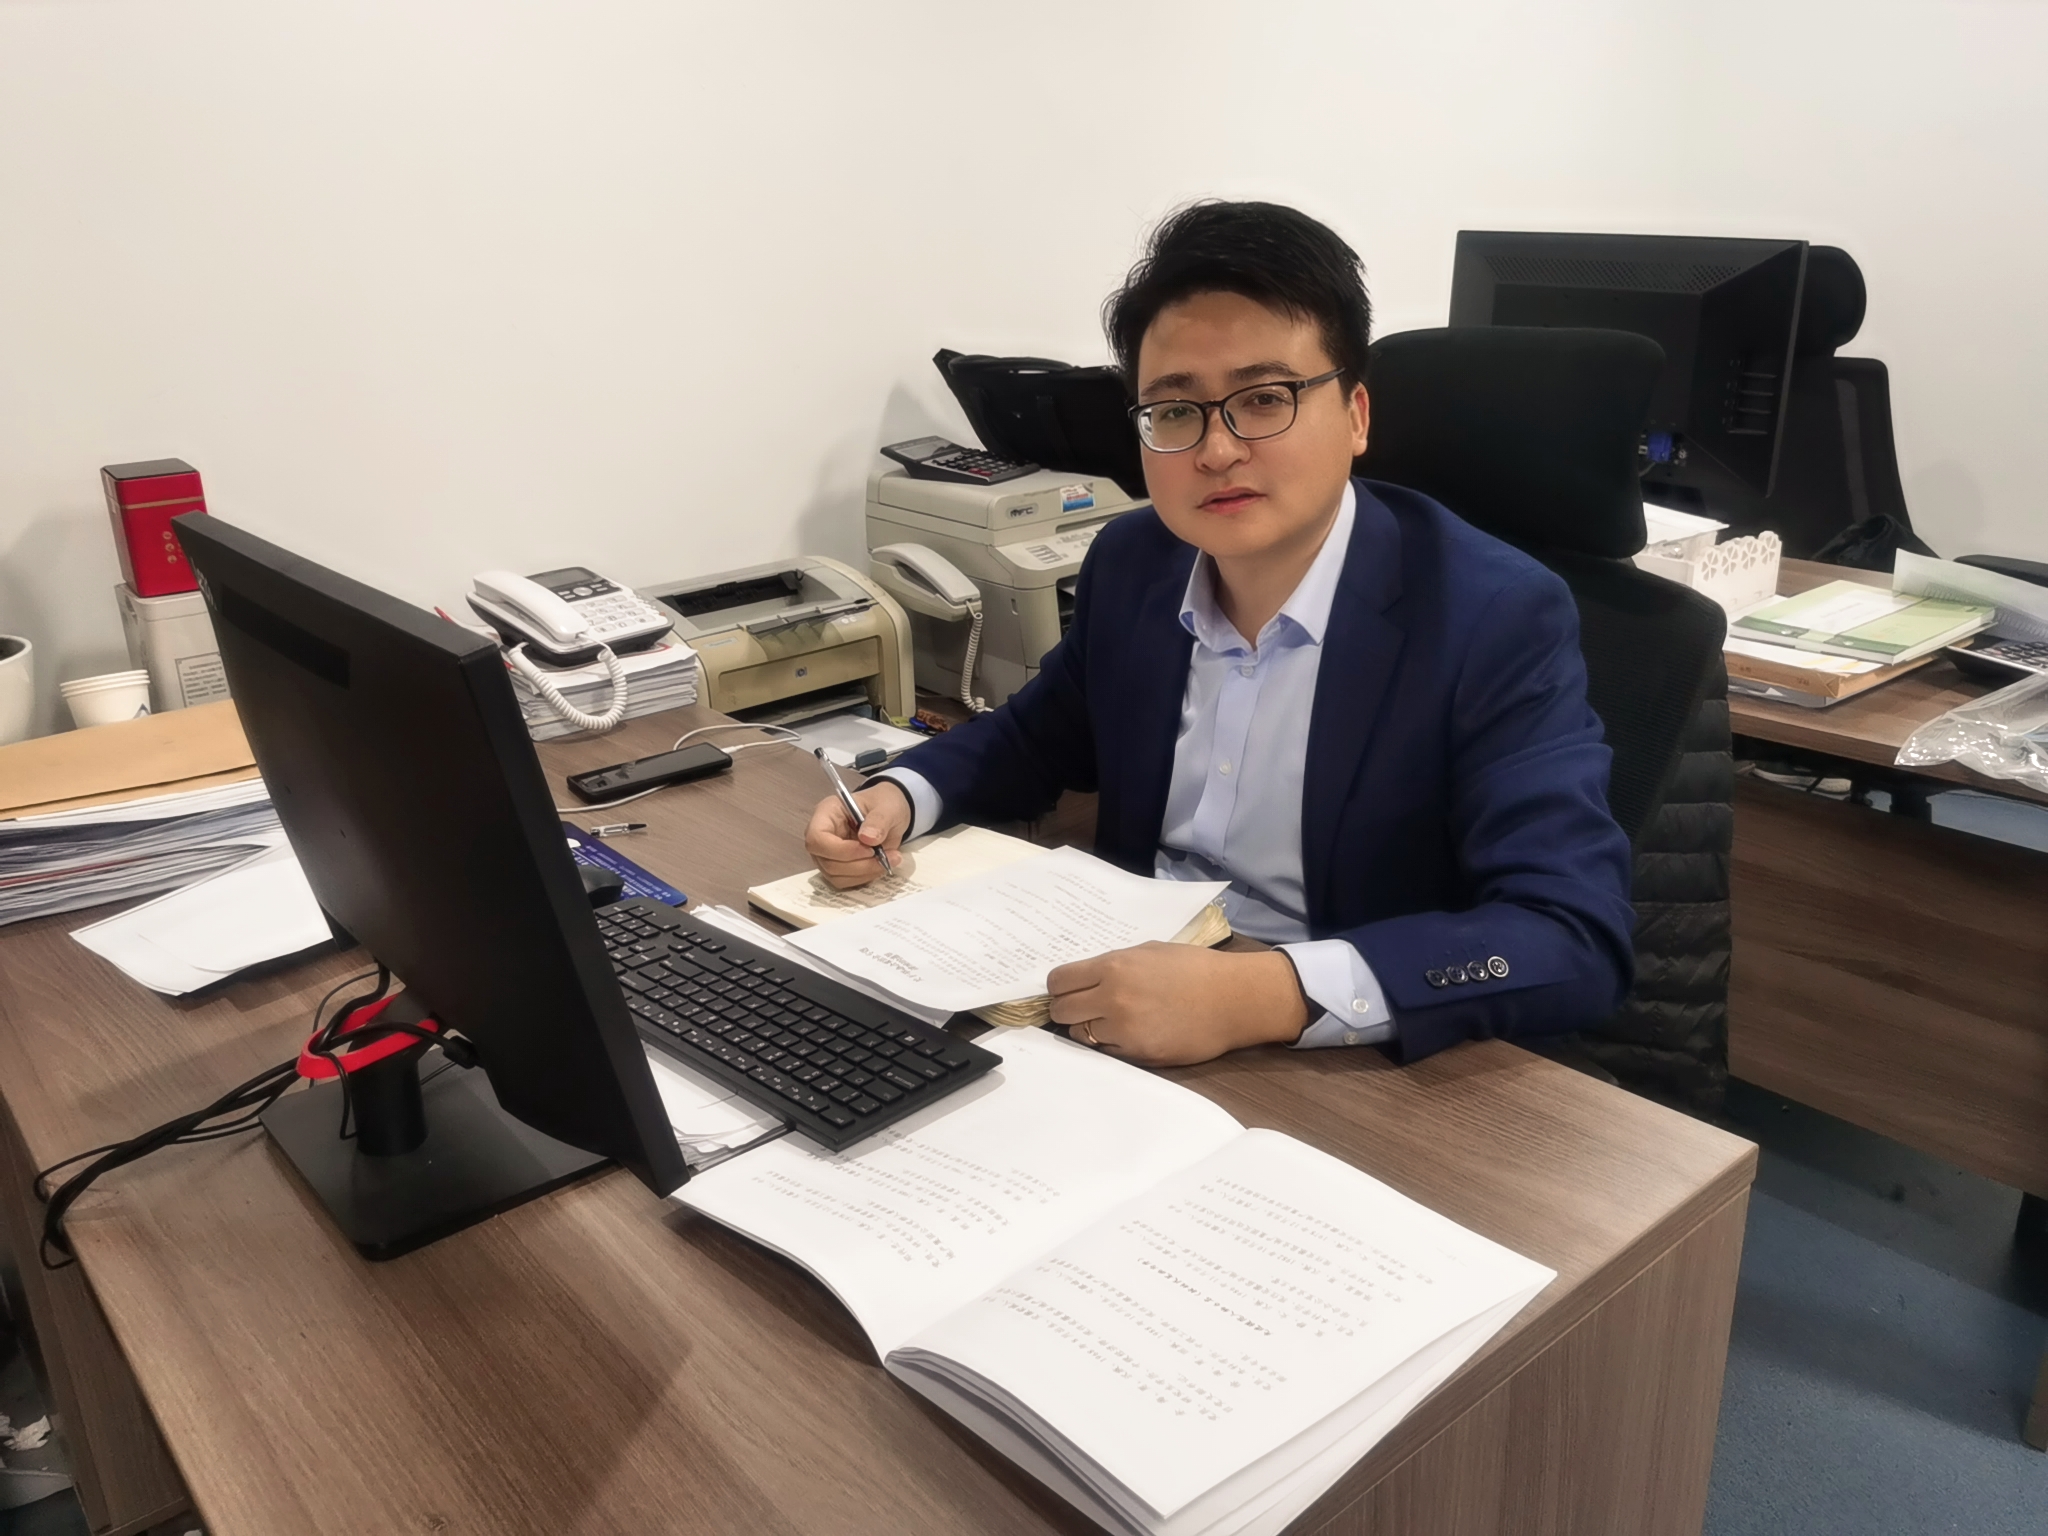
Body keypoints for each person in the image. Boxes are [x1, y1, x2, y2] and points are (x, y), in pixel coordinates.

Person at [806, 201, 1634, 1068]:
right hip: (1118, 1017)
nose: (1216, 450)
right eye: (1174, 411)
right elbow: (1034, 737)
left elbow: (1572, 937)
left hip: (1340, 1054)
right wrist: (900, 796)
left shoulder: (1491, 615)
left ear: (1356, 415)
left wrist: (1264, 994)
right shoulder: (1135, 561)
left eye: (1265, 399)